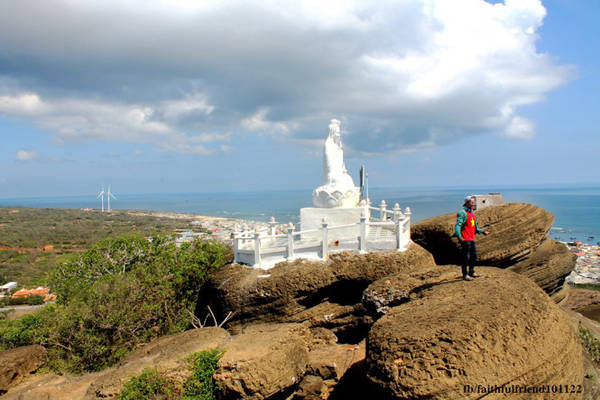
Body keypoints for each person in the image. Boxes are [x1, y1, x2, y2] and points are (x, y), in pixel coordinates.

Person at [455, 195, 489, 281]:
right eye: (472, 202)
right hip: (465, 239)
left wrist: (483, 232)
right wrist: (459, 237)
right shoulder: (462, 213)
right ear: (467, 203)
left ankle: (472, 272)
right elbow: (458, 226)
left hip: (471, 238)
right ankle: (465, 275)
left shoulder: (472, 214)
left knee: (474, 256)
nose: (474, 204)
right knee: (466, 257)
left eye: (474, 202)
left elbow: (475, 227)